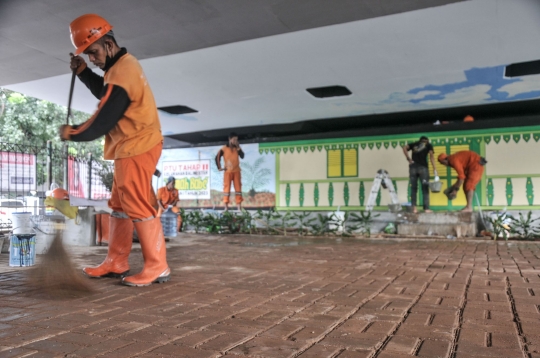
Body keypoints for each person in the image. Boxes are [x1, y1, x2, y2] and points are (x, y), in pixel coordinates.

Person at [59, 14, 169, 287]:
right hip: (128, 146)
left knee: (138, 204)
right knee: (119, 205)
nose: (93, 58)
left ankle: (158, 266)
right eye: (87, 54)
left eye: (94, 52)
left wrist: (75, 132)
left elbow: (106, 115)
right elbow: (105, 93)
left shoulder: (125, 70)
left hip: (138, 144)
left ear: (108, 44)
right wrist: (84, 71)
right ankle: (116, 261)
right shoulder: (117, 69)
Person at [402, 136, 438, 213]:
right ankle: (426, 209)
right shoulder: (428, 145)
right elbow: (431, 156)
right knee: (425, 188)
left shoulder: (414, 144)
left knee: (413, 188)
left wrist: (408, 159)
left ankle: (414, 208)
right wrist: (435, 168)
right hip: (423, 168)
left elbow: (404, 148)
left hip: (413, 168)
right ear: (427, 141)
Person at [215, 132, 244, 211]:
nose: (235, 141)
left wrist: (238, 147)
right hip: (227, 172)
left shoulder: (237, 147)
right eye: (234, 139)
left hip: (236, 171)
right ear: (229, 139)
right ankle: (226, 207)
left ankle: (239, 207)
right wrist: (219, 167)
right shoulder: (224, 148)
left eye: (236, 140)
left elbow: (242, 156)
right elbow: (217, 157)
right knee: (226, 189)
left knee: (238, 189)